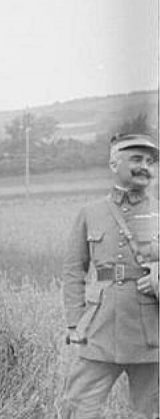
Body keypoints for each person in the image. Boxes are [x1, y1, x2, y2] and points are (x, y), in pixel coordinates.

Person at [60, 133, 159, 419]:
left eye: (150, 161)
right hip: (100, 328)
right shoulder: (91, 212)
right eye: (137, 159)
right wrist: (74, 322)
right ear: (114, 163)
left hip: (152, 330)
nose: (145, 167)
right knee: (78, 406)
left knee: (150, 410)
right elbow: (73, 269)